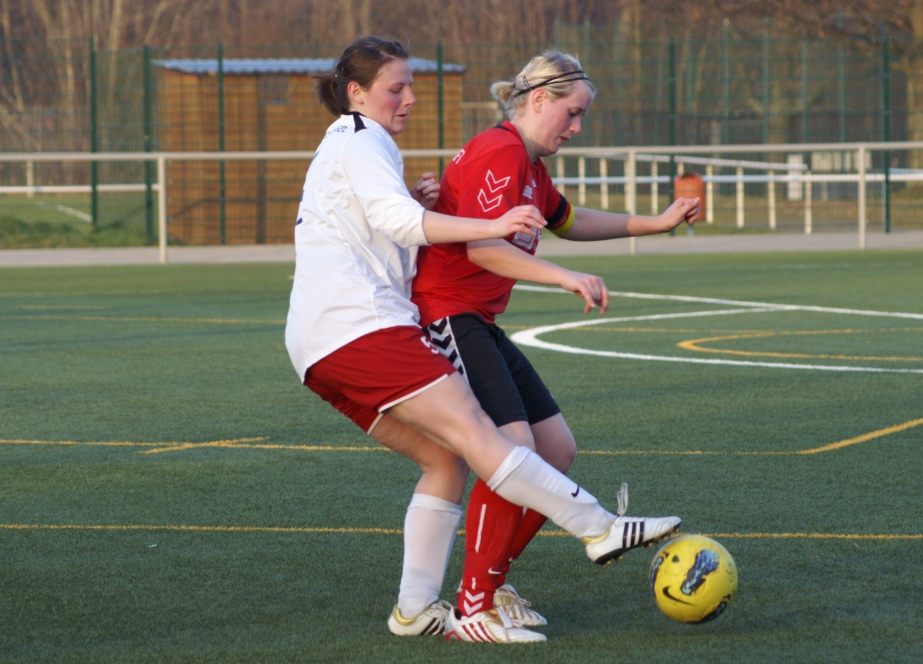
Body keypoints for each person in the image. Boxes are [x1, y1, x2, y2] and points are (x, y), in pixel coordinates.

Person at [284, 36, 681, 645]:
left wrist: (651, 223)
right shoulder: (368, 139)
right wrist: (498, 230)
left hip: (335, 336)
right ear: (357, 94)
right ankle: (581, 536)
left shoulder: (371, 146)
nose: (411, 99)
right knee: (486, 438)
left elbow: (391, 224)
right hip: (366, 325)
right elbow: (440, 235)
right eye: (398, 87)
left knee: (452, 458)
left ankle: (417, 610)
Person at [409, 50, 701, 633]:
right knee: (513, 447)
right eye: (571, 113)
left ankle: (488, 584)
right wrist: (565, 277)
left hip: (479, 321)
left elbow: (572, 221)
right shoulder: (501, 149)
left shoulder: (530, 168)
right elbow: (484, 247)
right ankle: (475, 604)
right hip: (449, 316)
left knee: (555, 448)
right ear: (538, 99)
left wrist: (656, 222)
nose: (575, 127)